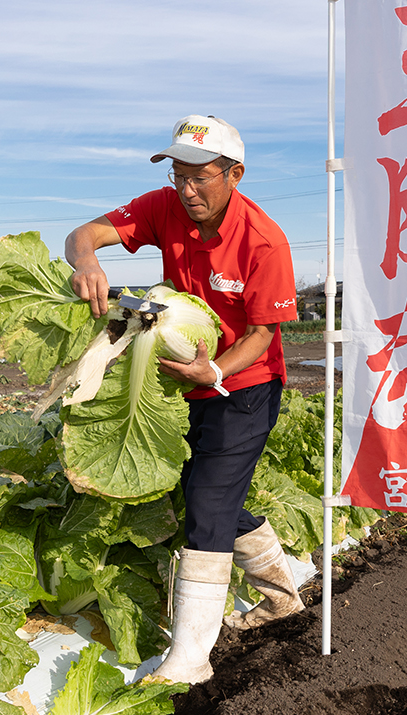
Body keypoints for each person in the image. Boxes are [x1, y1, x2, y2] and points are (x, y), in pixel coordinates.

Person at [64, 114, 304, 684]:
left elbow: (262, 336)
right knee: (206, 496)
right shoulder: (162, 206)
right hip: (181, 382)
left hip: (241, 388)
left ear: (235, 174)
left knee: (206, 509)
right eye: (178, 175)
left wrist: (213, 369)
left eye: (201, 177)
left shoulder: (265, 242)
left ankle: (191, 658)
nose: (187, 190)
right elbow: (84, 234)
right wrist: (88, 261)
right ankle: (279, 597)